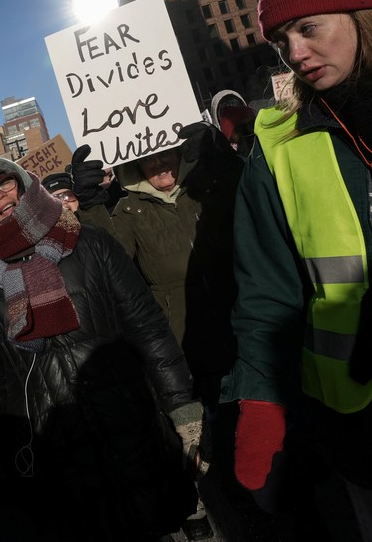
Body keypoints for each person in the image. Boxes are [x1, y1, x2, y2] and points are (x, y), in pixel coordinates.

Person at [222, 0, 372, 541]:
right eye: (282, 41)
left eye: (309, 29)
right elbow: (265, 294)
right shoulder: (279, 147)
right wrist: (261, 406)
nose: (295, 53)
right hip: (371, 429)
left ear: (363, 13)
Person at [0, 153, 205, 542]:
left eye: (3, 183)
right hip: (59, 456)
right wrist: (2, 473)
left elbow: (147, 327)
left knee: (158, 526)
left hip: (131, 424)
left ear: (21, 182)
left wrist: (180, 404)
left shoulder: (89, 242)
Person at [110, 124, 249, 540]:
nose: (160, 163)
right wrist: (93, 209)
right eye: (149, 158)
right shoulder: (127, 212)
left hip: (240, 327)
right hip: (186, 345)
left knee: (249, 423)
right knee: (209, 439)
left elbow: (246, 205)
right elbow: (111, 265)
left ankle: (262, 497)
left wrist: (224, 159)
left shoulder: (203, 187)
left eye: (165, 153)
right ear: (135, 166)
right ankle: (220, 507)